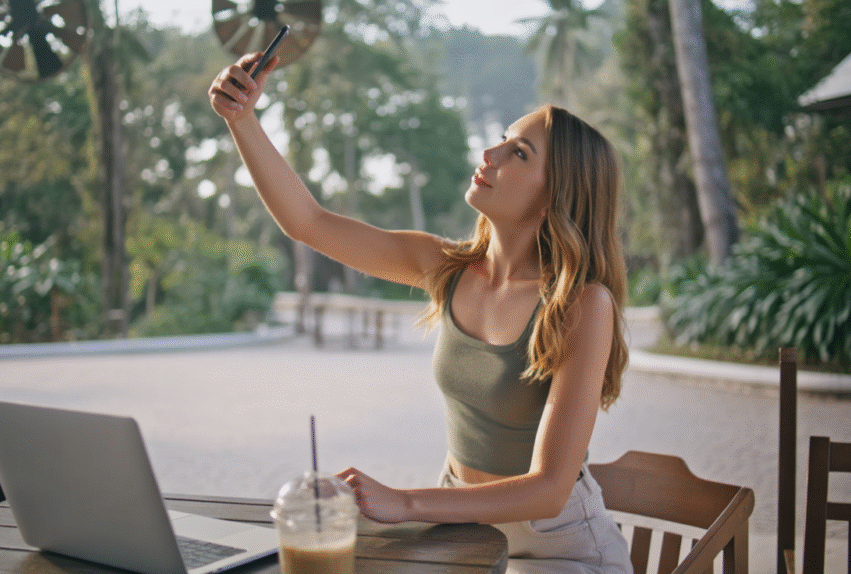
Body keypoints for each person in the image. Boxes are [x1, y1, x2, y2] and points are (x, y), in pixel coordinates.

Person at [210, 52, 634, 573]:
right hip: (460, 528)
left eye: (518, 152)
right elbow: (310, 223)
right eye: (503, 136)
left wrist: (406, 503)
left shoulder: (582, 304)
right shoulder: (447, 267)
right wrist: (243, 119)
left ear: (554, 197)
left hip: (557, 546)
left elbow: (548, 490)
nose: (489, 151)